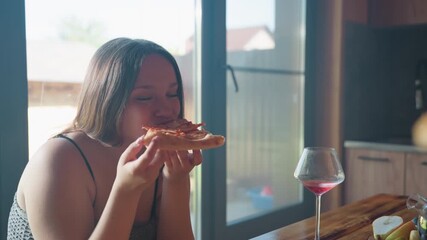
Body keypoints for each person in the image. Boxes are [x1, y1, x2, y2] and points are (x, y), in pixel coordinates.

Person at [7, 38, 201, 240]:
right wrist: (126, 191)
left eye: (172, 93)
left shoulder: (161, 155)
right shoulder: (59, 160)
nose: (167, 109)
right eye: (145, 97)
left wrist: (176, 181)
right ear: (107, 100)